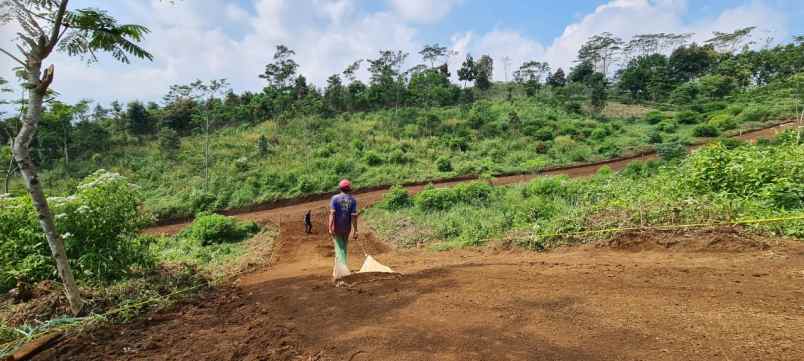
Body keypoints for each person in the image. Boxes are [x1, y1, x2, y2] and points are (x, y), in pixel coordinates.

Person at [329, 179, 358, 281]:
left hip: (336, 227)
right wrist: (355, 230)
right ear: (349, 189)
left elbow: (332, 214)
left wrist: (330, 227)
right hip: (347, 228)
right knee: (344, 247)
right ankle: (342, 267)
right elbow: (354, 216)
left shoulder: (334, 198)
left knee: (338, 247)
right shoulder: (353, 200)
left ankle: (341, 271)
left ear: (340, 188)